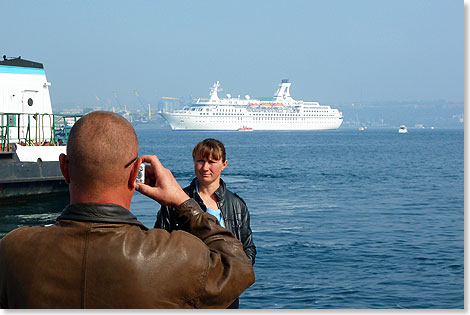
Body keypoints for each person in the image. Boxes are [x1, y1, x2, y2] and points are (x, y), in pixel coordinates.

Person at [0, 111, 254, 309]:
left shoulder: (13, 250)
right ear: (136, 175)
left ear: (64, 168)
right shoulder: (175, 255)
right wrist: (182, 203)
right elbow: (240, 268)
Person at [155, 138, 256, 309]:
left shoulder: (237, 205)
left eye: (212, 162)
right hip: (186, 295)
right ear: (193, 161)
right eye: (200, 161)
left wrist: (233, 276)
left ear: (224, 164)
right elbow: (159, 244)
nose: (205, 167)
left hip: (226, 296)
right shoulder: (174, 202)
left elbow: (248, 248)